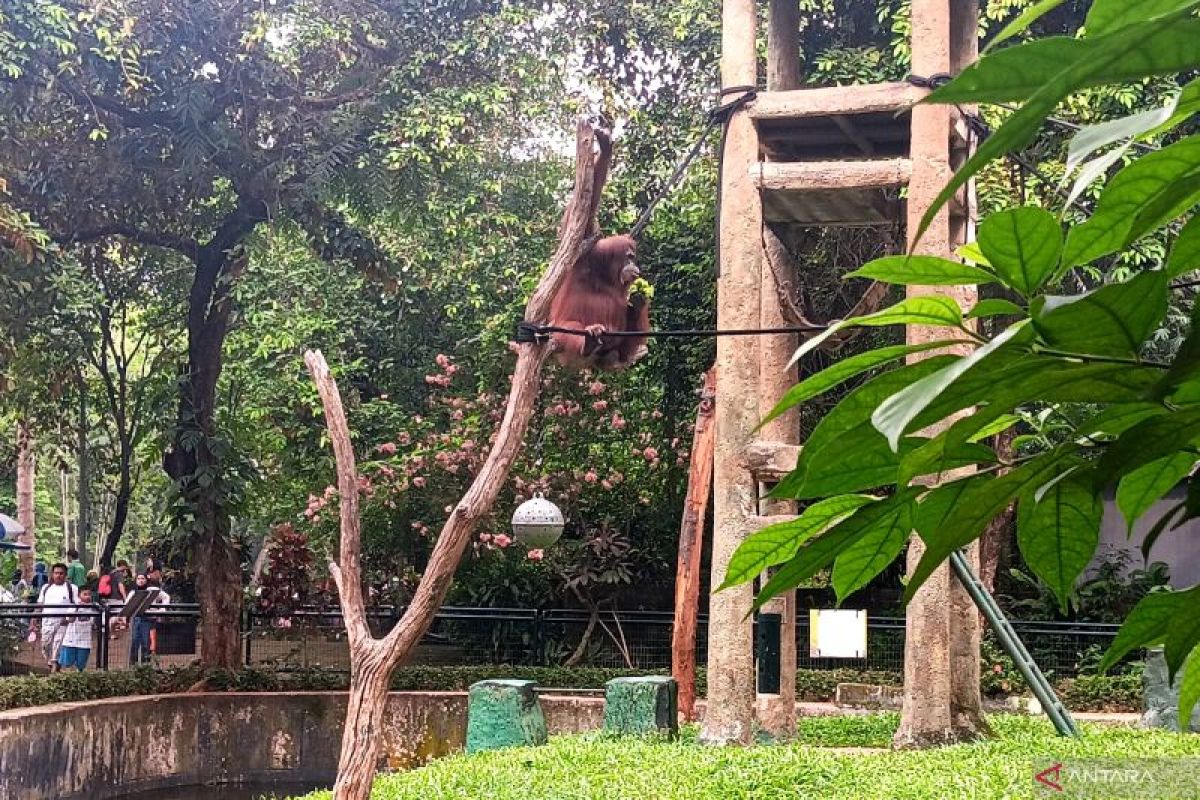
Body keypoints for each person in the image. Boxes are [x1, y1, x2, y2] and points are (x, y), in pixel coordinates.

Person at [32, 563, 77, 672]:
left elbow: (75, 604)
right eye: (56, 573)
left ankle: (55, 666)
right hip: (47, 620)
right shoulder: (46, 588)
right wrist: (33, 619)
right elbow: (40, 604)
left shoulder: (72, 588)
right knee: (45, 644)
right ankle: (51, 661)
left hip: (62, 621)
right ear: (52, 574)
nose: (58, 575)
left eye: (61, 573)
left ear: (65, 574)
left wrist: (69, 618)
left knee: (58, 644)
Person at [56, 587, 97, 672]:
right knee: (67, 665)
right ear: (79, 595)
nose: (87, 597)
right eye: (84, 594)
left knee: (81, 667)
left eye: (89, 594)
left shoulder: (94, 608)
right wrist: (77, 607)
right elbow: (70, 620)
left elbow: (95, 624)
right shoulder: (74, 607)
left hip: (85, 642)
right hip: (71, 641)